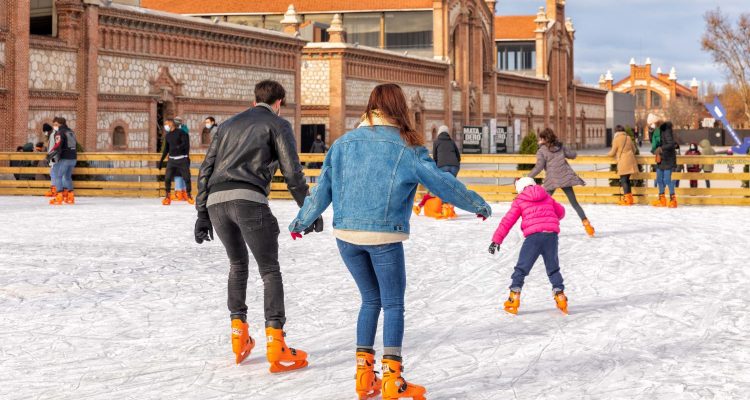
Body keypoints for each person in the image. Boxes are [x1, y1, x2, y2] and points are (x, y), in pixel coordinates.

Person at [289, 83, 491, 400]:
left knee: (370, 301)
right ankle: (391, 380)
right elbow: (442, 183)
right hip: (384, 236)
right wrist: (477, 204)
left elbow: (321, 191)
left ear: (371, 107)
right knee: (393, 304)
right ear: (400, 109)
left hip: (346, 238)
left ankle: (363, 376)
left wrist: (300, 222)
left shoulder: (343, 144)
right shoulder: (407, 148)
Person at [194, 80, 316, 372]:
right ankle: (276, 343)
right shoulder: (277, 124)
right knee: (269, 270)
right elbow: (292, 172)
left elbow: (206, 169)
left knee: (237, 266)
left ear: (254, 101)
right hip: (248, 200)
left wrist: (201, 213)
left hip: (216, 203)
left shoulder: (225, 126)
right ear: (279, 102)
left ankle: (239, 337)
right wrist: (308, 210)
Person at [489, 177, 568, 315]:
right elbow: (561, 212)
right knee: (553, 268)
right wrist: (549, 217)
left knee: (521, 268)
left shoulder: (520, 200)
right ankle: (560, 296)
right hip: (551, 236)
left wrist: (497, 240)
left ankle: (514, 297)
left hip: (533, 238)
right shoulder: (546, 195)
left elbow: (507, 221)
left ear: (519, 189)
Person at [528, 128, 595, 237]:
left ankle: (541, 227)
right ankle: (587, 225)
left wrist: (527, 177)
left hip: (552, 180)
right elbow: (573, 155)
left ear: (544, 139)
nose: (538, 140)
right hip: (565, 178)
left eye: (540, 138)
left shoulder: (541, 151)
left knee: (543, 204)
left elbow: (538, 167)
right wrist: (568, 148)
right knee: (575, 204)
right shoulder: (560, 146)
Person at [158, 119, 193, 205]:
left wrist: (178, 147)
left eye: (166, 124)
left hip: (182, 159)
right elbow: (166, 149)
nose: (165, 126)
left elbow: (185, 143)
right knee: (167, 178)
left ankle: (189, 195)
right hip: (172, 160)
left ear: (171, 124)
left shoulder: (181, 132)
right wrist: (161, 161)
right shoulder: (168, 135)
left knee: (187, 178)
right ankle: (167, 197)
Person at [46, 117, 77, 205]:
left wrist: (50, 155)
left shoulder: (60, 133)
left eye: (56, 124)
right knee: (67, 177)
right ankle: (70, 197)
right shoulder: (71, 132)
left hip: (64, 158)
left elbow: (57, 145)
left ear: (60, 124)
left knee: (58, 176)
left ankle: (59, 197)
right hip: (73, 158)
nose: (54, 126)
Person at [649, 114, 677, 208]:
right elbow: (652, 142)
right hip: (660, 158)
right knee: (659, 179)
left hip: (668, 158)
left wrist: (661, 149)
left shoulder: (666, 129)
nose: (651, 125)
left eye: (651, 123)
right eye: (649, 124)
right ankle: (662, 199)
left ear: (656, 122)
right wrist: (650, 131)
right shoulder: (656, 131)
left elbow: (671, 144)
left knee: (667, 180)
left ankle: (673, 200)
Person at [607, 125, 639, 206]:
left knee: (623, 180)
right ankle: (630, 199)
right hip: (631, 161)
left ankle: (626, 199)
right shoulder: (628, 138)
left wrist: (607, 154)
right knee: (627, 180)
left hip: (623, 161)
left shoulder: (616, 139)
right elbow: (634, 150)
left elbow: (612, 152)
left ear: (616, 131)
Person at [41, 123, 58, 197]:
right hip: (55, 157)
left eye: (45, 132)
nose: (45, 134)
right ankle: (55, 189)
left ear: (47, 131)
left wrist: (48, 157)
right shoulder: (54, 134)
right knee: (54, 174)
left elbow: (52, 148)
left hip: (54, 158)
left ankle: (55, 190)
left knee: (53, 174)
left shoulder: (52, 135)